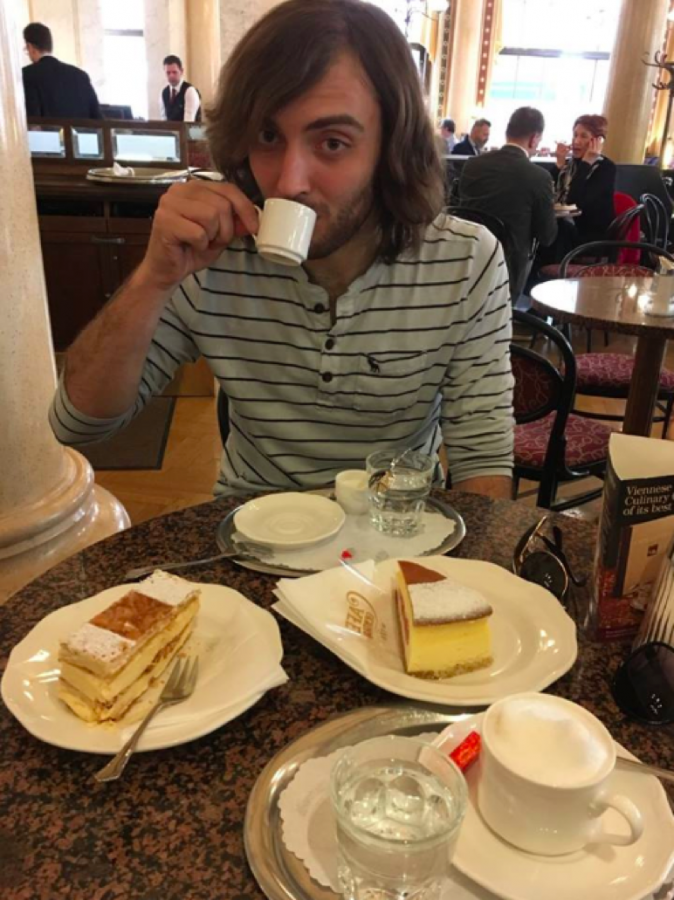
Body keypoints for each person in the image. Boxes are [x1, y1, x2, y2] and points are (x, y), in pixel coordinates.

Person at [50, 0, 513, 500]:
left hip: (397, 528)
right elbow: (77, 426)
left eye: (332, 143)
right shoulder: (209, 253)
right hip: (249, 534)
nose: (288, 183)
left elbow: (481, 462)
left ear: (391, 149)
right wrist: (153, 279)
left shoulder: (465, 261)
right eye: (268, 135)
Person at [458, 107, 557, 298]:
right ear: (534, 138)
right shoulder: (538, 177)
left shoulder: (472, 165)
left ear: (507, 132)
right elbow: (546, 236)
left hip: (468, 259)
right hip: (509, 269)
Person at [553, 114, 616, 245]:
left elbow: (574, 201)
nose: (576, 141)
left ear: (598, 141)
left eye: (583, 136)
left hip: (590, 236)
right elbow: (550, 195)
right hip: (565, 228)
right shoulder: (570, 164)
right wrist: (559, 166)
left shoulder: (606, 168)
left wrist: (587, 163)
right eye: (575, 135)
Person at [22, 22, 101, 119]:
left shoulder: (27, 75)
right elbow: (98, 119)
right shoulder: (81, 76)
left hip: (47, 134)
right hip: (81, 134)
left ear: (30, 47)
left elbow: (33, 121)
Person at [160, 55, 201, 122]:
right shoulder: (164, 92)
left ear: (181, 71)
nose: (171, 76)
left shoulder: (189, 91)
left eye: (174, 72)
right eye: (168, 73)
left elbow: (188, 122)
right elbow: (164, 120)